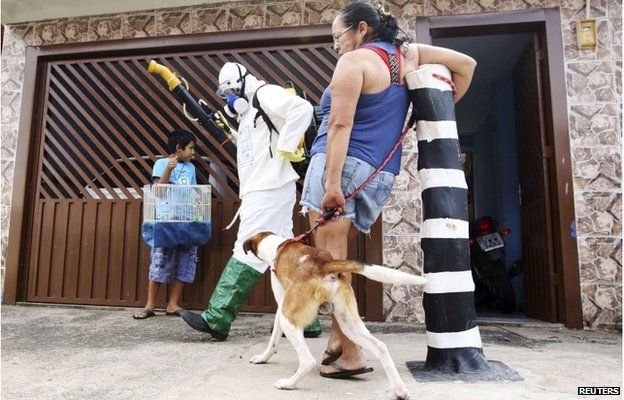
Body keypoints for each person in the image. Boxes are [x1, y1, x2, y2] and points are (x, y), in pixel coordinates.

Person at [300, 1, 477, 378]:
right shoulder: (406, 54)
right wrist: (432, 109)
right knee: (339, 259)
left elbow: (339, 126)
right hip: (378, 172)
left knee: (331, 265)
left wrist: (331, 185)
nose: (335, 45)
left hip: (341, 169)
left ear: (360, 29)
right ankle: (337, 339)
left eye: (337, 36)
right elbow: (467, 65)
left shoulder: (355, 62)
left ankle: (351, 354)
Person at [179, 62, 322, 340]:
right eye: (225, 95)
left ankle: (217, 318)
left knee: (248, 248)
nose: (230, 99)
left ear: (244, 83)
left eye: (232, 91)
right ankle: (307, 320)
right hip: (266, 189)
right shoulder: (248, 114)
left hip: (268, 189)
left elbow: (301, 109)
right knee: (285, 253)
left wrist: (287, 146)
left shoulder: (265, 94)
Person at [133, 129, 198, 319]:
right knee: (160, 260)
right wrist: (168, 169)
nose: (193, 153)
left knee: (186, 261)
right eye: (190, 148)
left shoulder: (191, 168)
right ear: (179, 148)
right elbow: (158, 191)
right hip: (165, 221)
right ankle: (150, 306)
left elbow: (193, 193)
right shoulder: (161, 164)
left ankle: (173, 304)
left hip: (186, 221)